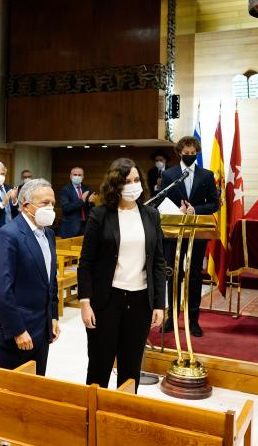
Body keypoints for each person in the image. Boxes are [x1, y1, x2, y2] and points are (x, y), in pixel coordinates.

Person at [77, 158, 166, 391]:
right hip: (107, 300)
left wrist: (159, 304)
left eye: (137, 180)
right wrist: (85, 302)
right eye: (127, 181)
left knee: (130, 367)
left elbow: (158, 262)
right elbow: (85, 263)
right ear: (116, 184)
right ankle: (93, 418)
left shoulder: (151, 215)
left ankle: (123, 418)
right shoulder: (100, 215)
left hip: (140, 301)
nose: (133, 185)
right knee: (100, 364)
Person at [0, 179, 60, 375]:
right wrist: (17, 330)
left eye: (53, 203)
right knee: (8, 394)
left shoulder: (49, 234)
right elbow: (1, 289)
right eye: (45, 203)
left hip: (41, 327)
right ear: (27, 206)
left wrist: (53, 315)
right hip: (16, 330)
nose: (51, 208)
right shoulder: (7, 235)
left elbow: (50, 279)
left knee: (35, 388)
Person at [158, 136, 219, 337]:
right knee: (173, 275)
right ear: (179, 152)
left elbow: (214, 203)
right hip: (174, 234)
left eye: (193, 153)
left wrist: (196, 209)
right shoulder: (169, 175)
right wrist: (178, 210)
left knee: (194, 277)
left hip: (197, 234)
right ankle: (172, 317)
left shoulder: (207, 175)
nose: (190, 156)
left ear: (197, 153)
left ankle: (193, 320)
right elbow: (161, 201)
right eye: (186, 153)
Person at [58, 167, 95, 238]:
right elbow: (66, 208)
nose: (77, 177)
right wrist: (81, 201)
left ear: (83, 176)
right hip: (70, 228)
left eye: (79, 175)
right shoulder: (65, 189)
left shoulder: (87, 188)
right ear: (70, 176)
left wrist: (90, 203)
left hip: (85, 226)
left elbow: (91, 208)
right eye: (75, 174)